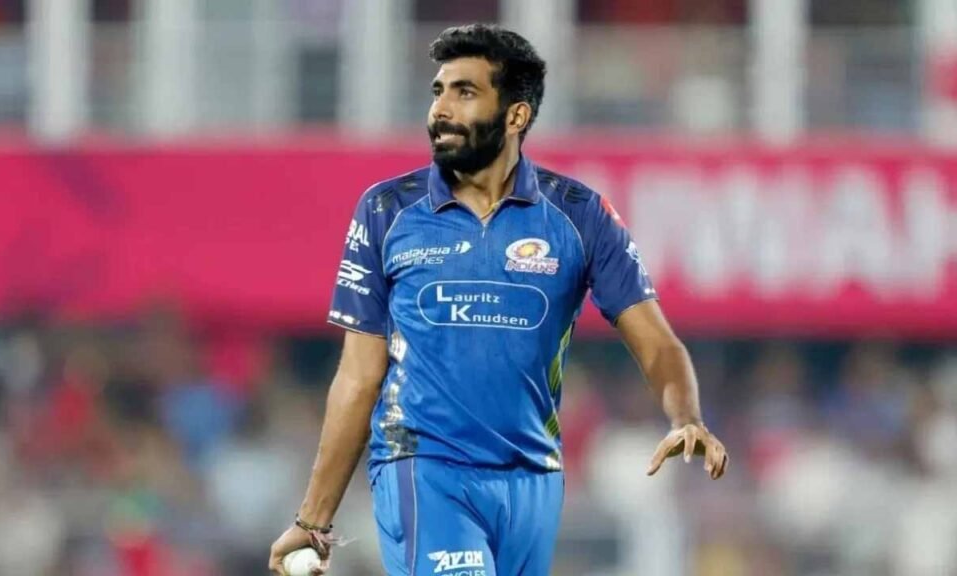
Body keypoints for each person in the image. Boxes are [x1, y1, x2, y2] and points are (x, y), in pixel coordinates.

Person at [269, 23, 728, 576]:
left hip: (533, 479)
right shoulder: (387, 211)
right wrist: (314, 519)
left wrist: (686, 416)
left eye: (464, 92)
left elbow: (657, 344)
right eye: (438, 91)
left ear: (516, 116)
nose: (441, 109)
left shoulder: (579, 215)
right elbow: (358, 376)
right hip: (424, 466)